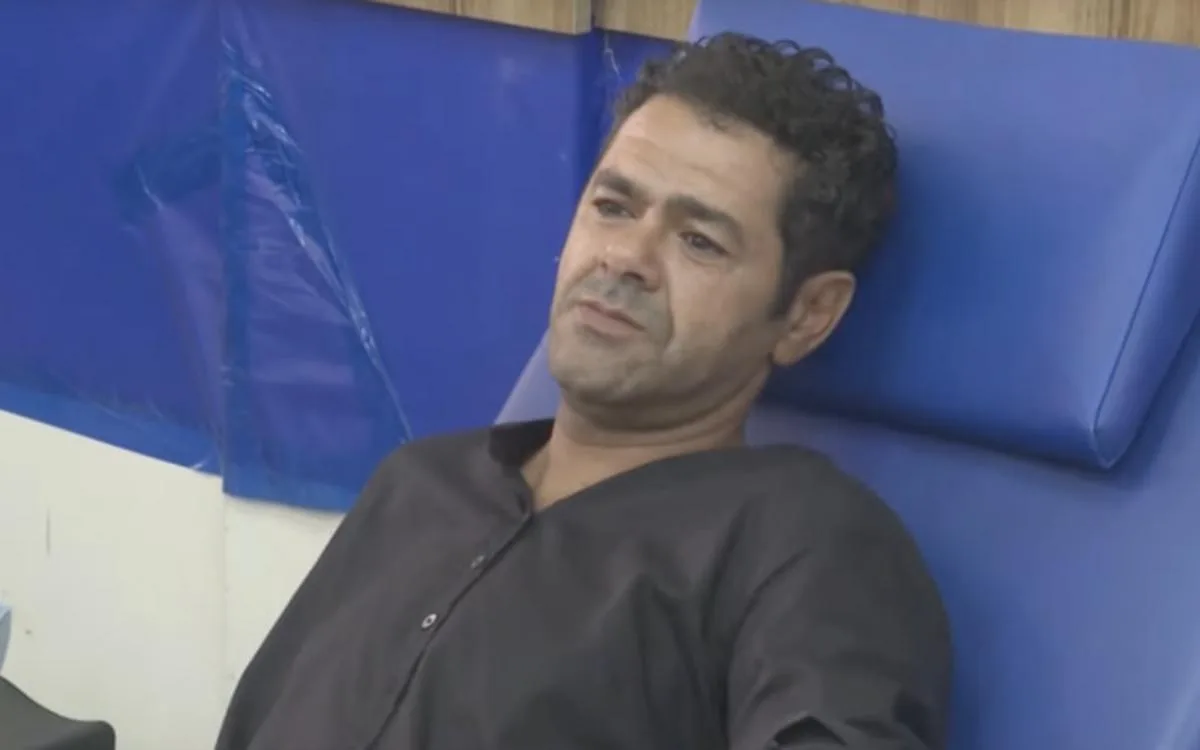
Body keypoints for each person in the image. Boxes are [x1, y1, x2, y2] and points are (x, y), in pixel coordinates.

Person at [216, 32, 952, 750]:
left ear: (807, 314)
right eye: (613, 207)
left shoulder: (800, 546)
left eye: (700, 241)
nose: (625, 257)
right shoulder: (418, 485)